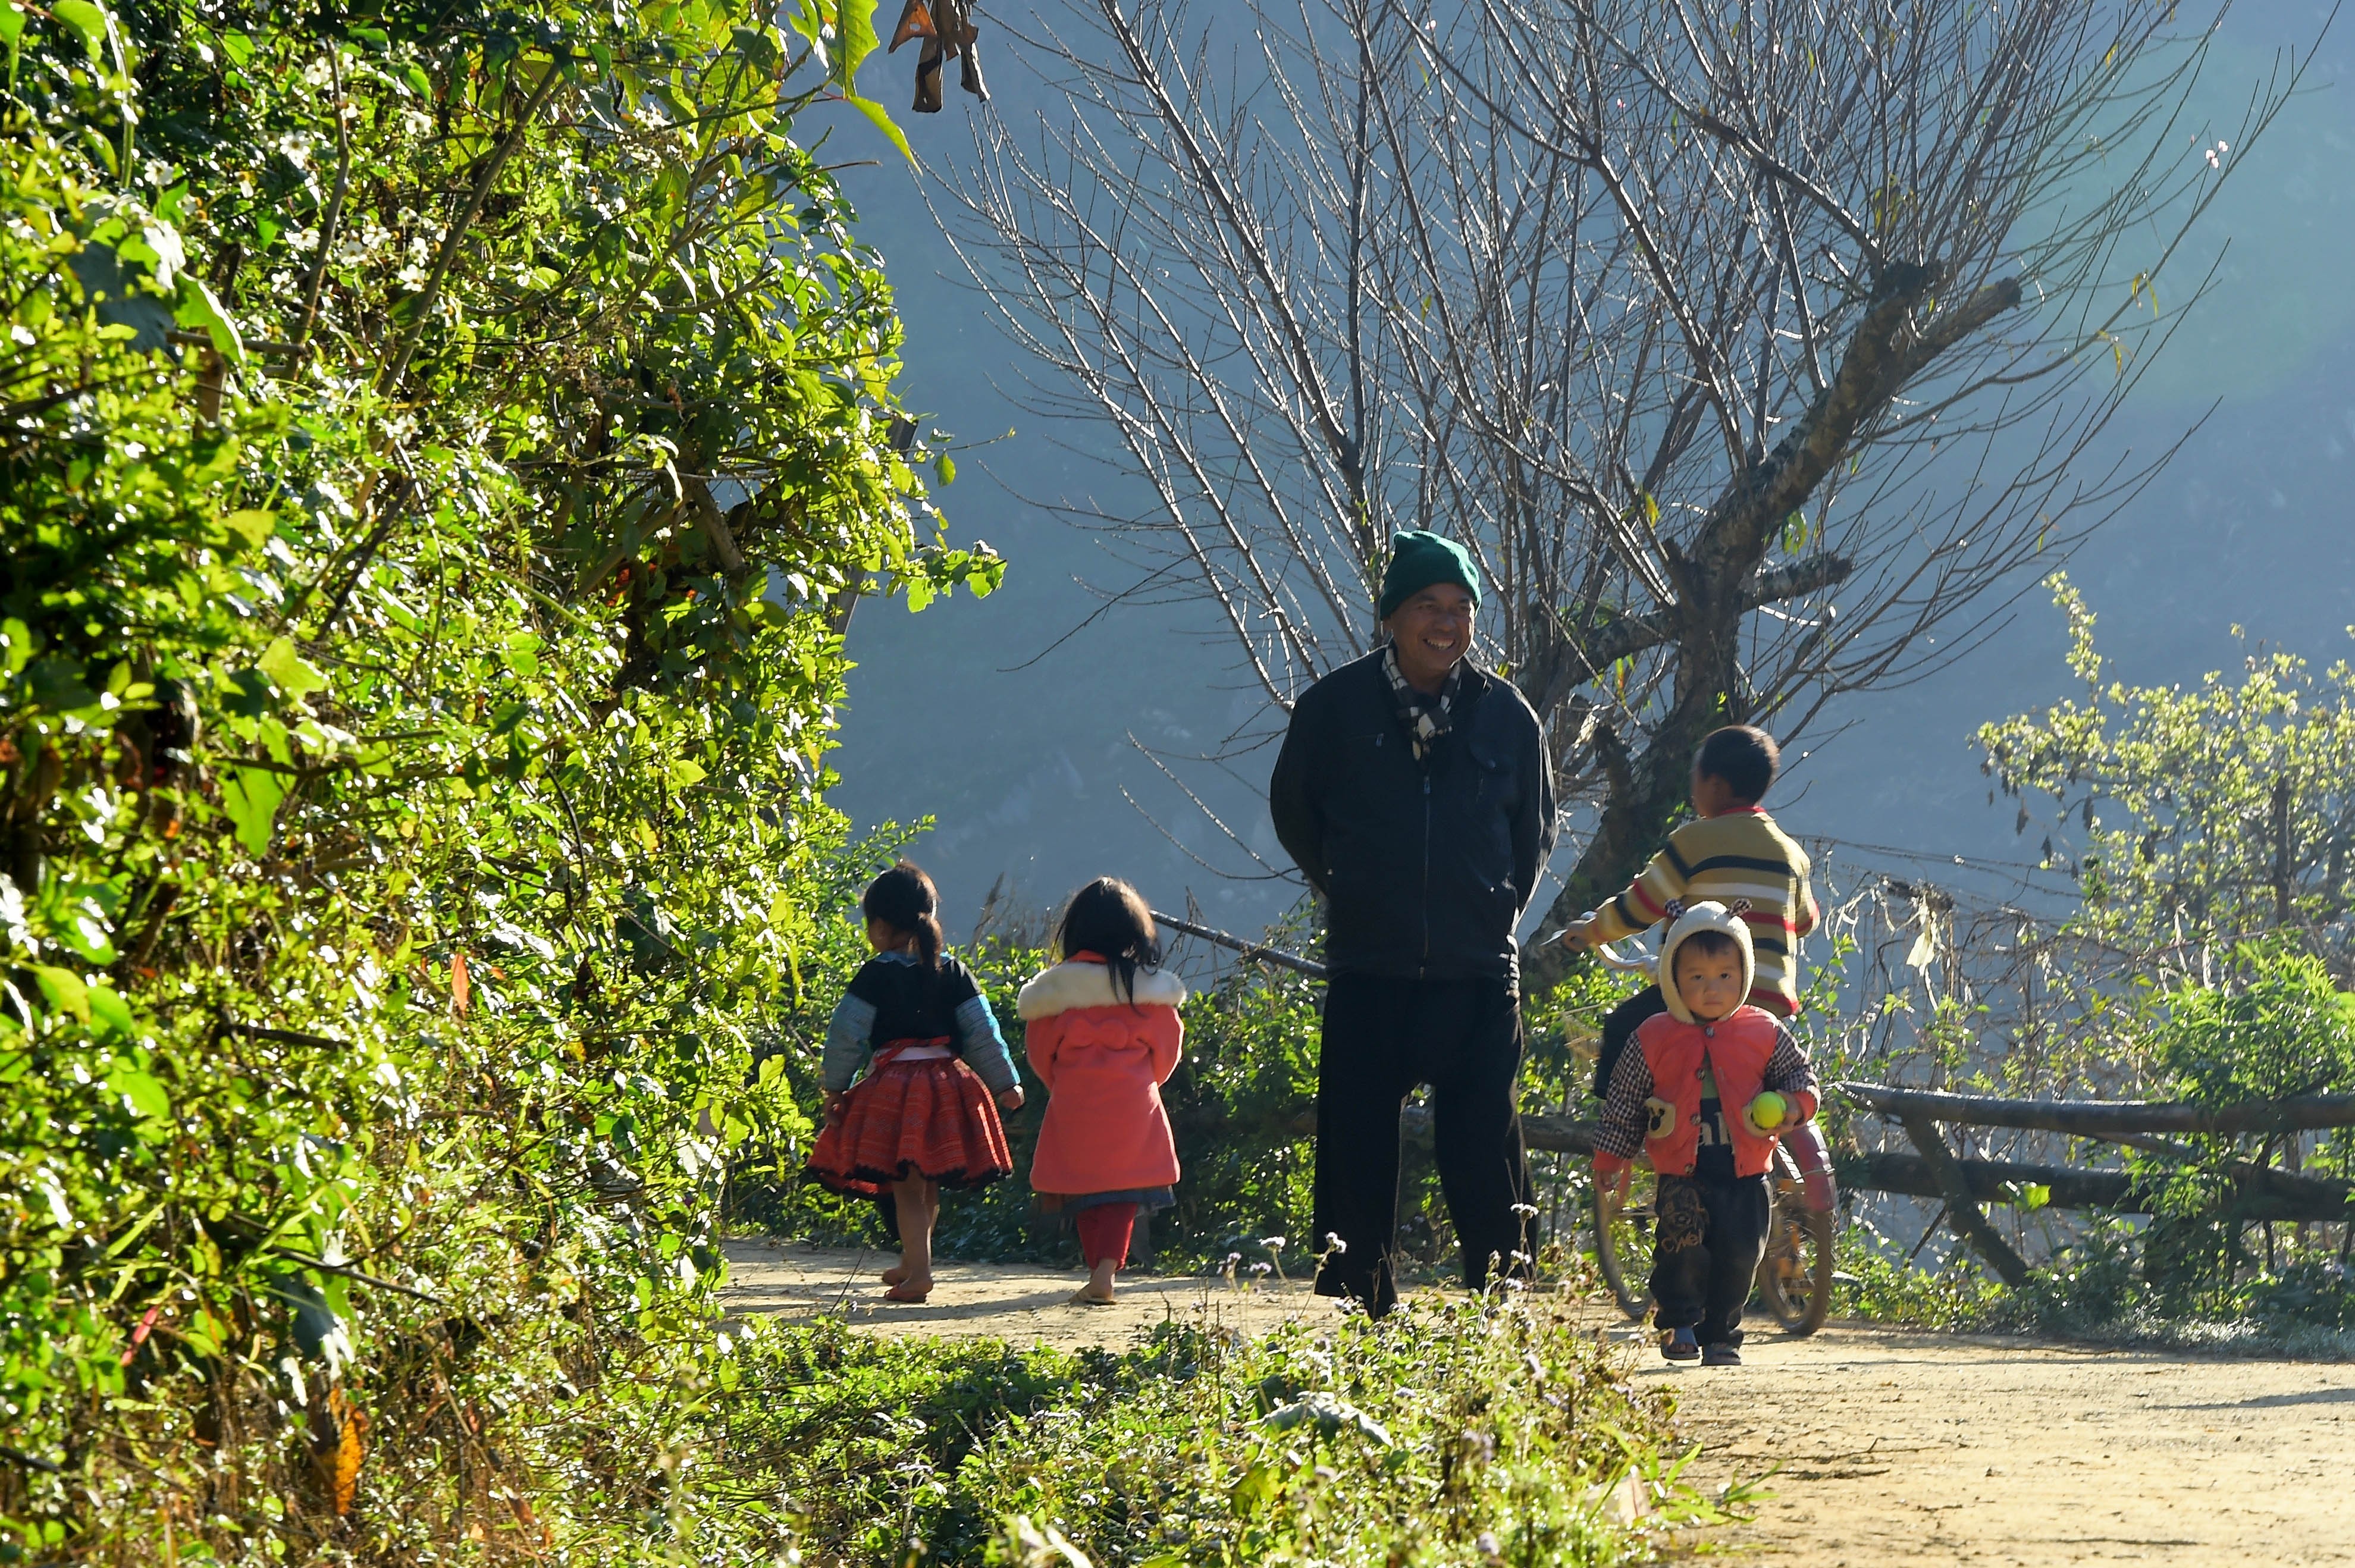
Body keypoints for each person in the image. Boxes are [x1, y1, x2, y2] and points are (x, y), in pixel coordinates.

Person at [1269, 530, 1557, 1315]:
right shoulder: (1333, 710)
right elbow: (1295, 815)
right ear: (1391, 616)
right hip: (1370, 967)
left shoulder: (1505, 717)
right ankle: (1358, 1308)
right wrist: (1352, 889)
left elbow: (1532, 834)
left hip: (1474, 974)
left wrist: (1492, 910)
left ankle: (1503, 1304)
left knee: (1482, 1149)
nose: (1446, 622)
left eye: (1461, 608)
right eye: (1428, 605)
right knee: (1355, 1144)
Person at [1591, 901, 1821, 1366]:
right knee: (1682, 1248)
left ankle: (1721, 1335)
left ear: (1744, 975)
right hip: (1682, 1173)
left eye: (1724, 976)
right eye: (1696, 977)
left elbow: (1800, 1076)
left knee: (1740, 1255)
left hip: (1745, 1173)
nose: (1711, 989)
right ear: (1674, 979)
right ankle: (1679, 1323)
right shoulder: (1651, 1037)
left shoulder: (1763, 1031)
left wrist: (1795, 1106)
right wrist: (1610, 1159)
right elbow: (1623, 1104)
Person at [1559, 724, 1818, 1103]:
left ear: (1714, 785)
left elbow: (1641, 905)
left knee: (1623, 1030)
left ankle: (1620, 1131)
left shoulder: (1695, 842)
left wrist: (1592, 930)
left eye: (1695, 777)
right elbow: (1805, 921)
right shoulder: (1792, 854)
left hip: (1700, 997)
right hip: (1770, 1008)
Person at [807, 860, 1024, 1303]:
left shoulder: (875, 975)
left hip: (896, 1090)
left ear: (881, 926)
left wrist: (834, 1087)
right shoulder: (954, 971)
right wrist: (1006, 1082)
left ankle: (920, 1274)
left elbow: (846, 1035)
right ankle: (912, 1260)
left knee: (905, 1185)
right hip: (947, 1087)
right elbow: (983, 1032)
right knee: (927, 1184)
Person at [1017, 877, 1188, 1306]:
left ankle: (1099, 1270)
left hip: (1074, 1103)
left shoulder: (1053, 992)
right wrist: (1146, 1083)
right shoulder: (1148, 991)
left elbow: (1040, 1054)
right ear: (1134, 934)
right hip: (1133, 1104)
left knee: (1083, 1190)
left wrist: (1065, 1086)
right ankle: (1105, 1272)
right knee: (1123, 1193)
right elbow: (1167, 1051)